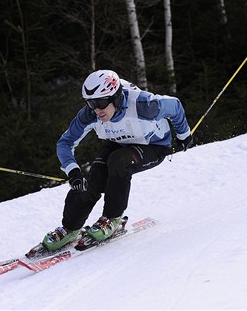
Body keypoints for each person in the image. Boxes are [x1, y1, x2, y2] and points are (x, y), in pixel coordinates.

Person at [42, 70, 193, 251]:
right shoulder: (90, 114)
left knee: (118, 161)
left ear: (116, 97)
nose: (96, 109)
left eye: (101, 102)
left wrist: (184, 134)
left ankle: (112, 219)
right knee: (95, 176)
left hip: (154, 145)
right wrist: (73, 171)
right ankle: (70, 229)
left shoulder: (143, 105)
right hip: (120, 142)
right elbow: (65, 142)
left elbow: (175, 106)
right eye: (90, 103)